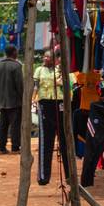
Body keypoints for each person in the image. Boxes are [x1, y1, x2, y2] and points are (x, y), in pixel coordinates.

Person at [33, 50, 69, 185]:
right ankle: (43, 177)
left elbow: (69, 84)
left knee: (65, 141)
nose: (46, 58)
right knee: (46, 141)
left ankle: (70, 176)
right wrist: (33, 99)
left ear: (56, 59)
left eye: (49, 56)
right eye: (45, 56)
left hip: (60, 104)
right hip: (45, 105)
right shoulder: (39, 70)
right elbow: (35, 86)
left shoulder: (61, 69)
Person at [0, 45, 24, 154]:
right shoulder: (16, 66)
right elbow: (19, 85)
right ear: (14, 52)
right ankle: (15, 147)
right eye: (16, 51)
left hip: (2, 100)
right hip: (14, 101)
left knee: (3, 124)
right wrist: (23, 98)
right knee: (15, 125)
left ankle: (2, 147)